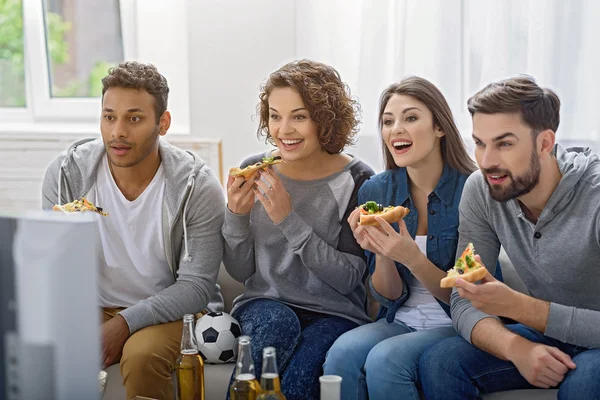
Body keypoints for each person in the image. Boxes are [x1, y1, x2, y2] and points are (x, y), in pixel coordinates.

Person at [42, 61, 225, 400]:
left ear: (163, 123)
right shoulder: (66, 174)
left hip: (167, 310)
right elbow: (55, 274)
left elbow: (197, 286)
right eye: (109, 117)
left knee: (142, 358)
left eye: (134, 118)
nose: (118, 132)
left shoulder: (196, 186)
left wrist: (123, 323)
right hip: (89, 304)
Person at [419, 76, 600, 400]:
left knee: (583, 383)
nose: (487, 161)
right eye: (480, 143)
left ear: (545, 144)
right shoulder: (482, 189)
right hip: (547, 334)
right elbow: (463, 295)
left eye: (504, 144)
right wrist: (514, 347)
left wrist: (518, 306)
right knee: (441, 363)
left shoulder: (595, 197)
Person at [323, 76, 500, 400]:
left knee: (385, 361)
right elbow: (388, 296)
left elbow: (475, 298)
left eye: (411, 118)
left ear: (439, 127)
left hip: (458, 322)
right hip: (399, 319)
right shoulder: (377, 190)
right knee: (341, 353)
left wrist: (412, 257)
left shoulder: (472, 190)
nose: (396, 129)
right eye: (388, 122)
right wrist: (382, 251)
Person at [222, 59, 374, 400]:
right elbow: (240, 270)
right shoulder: (254, 170)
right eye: (276, 116)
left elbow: (350, 278)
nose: (284, 130)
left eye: (299, 117)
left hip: (335, 314)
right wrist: (235, 215)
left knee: (298, 380)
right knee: (277, 324)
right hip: (265, 303)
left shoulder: (358, 180)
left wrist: (288, 219)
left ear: (325, 120)